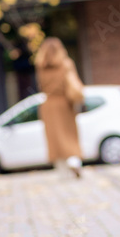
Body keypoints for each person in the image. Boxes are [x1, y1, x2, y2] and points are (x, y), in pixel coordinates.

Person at [34, 37, 85, 178]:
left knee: (54, 139)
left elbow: (40, 86)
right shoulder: (66, 64)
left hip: (48, 104)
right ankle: (74, 161)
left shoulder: (40, 66)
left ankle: (62, 172)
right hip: (65, 103)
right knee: (69, 134)